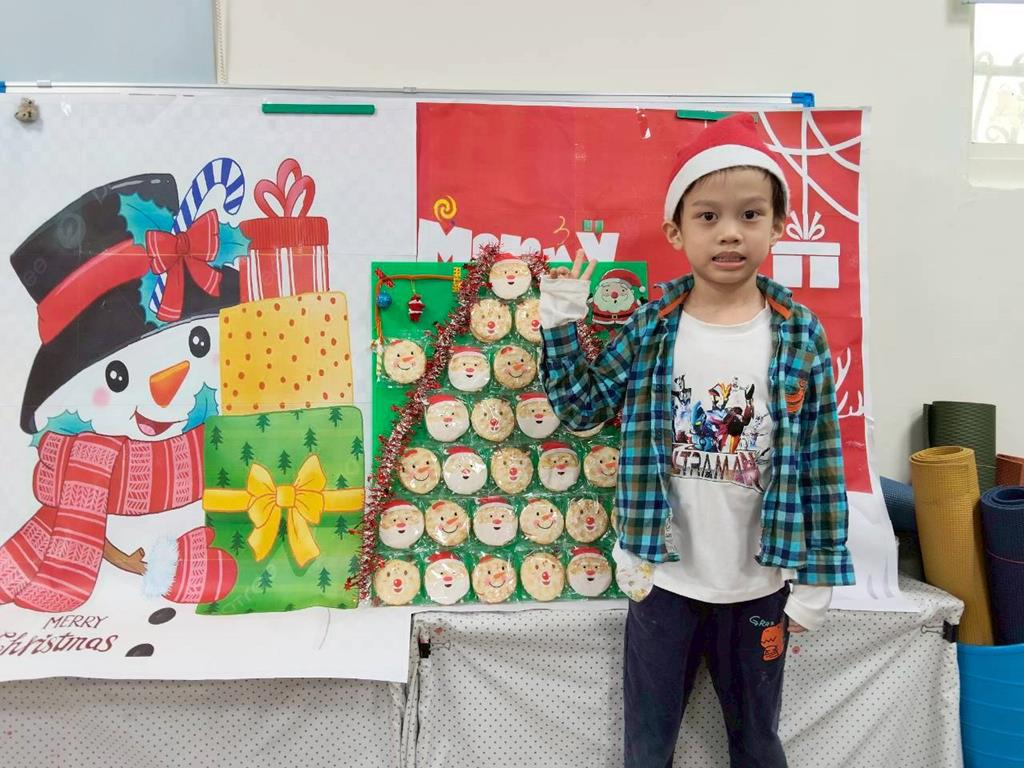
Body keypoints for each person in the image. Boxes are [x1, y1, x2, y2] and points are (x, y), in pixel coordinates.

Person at [537, 113, 854, 768]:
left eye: (750, 214)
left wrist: (818, 578)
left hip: (761, 582)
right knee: (648, 745)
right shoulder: (653, 326)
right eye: (708, 217)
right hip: (663, 580)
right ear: (676, 231)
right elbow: (581, 407)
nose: (730, 232)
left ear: (778, 225)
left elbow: (823, 463)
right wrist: (562, 318)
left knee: (758, 743)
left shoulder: (799, 333)